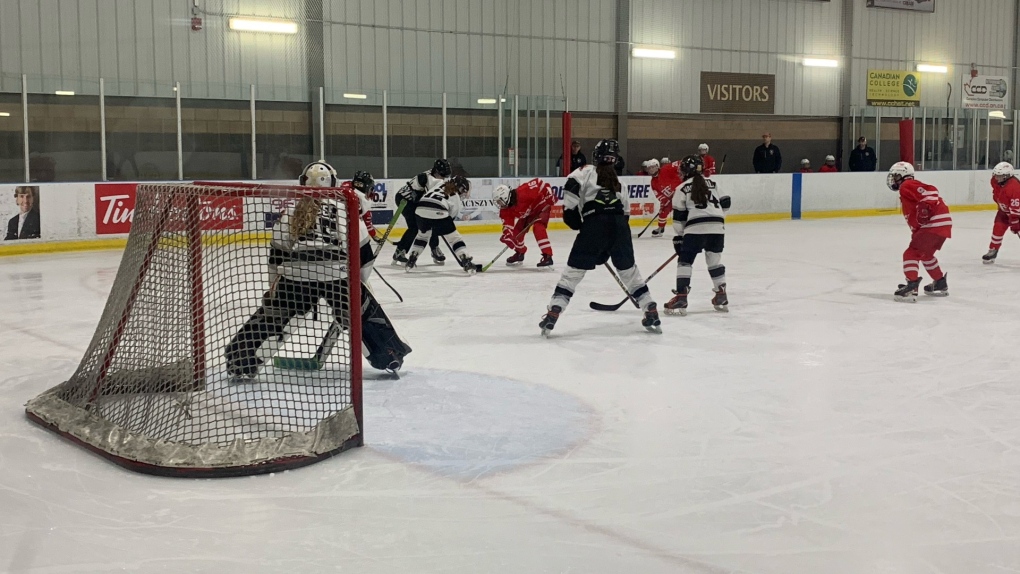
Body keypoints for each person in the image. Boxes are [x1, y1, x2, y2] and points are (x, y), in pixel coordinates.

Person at [225, 162, 411, 378]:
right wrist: (358, 285)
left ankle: (242, 361)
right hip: (337, 276)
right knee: (361, 314)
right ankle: (389, 356)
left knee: (277, 316)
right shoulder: (345, 207)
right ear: (333, 181)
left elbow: (277, 251)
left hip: (296, 276)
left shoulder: (292, 209)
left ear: (302, 182)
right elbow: (364, 254)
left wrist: (274, 285)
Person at [539, 139, 661, 336]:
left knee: (572, 275)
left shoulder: (583, 172)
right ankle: (650, 307)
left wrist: (588, 232)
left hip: (594, 225)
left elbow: (569, 211)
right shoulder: (619, 182)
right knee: (630, 273)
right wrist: (609, 244)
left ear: (596, 155)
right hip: (620, 228)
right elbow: (625, 216)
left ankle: (554, 311)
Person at [664, 155, 731, 316]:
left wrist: (680, 237)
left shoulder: (682, 188)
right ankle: (721, 293)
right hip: (717, 228)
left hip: (695, 229)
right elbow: (726, 202)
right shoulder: (714, 183)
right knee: (714, 261)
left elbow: (679, 218)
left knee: (685, 261)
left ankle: (681, 295)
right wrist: (717, 217)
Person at [887, 162, 952, 302]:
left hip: (934, 223)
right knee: (926, 254)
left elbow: (932, 191)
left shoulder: (906, 185)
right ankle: (940, 283)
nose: (894, 179)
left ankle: (911, 287)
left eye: (896, 176)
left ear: (904, 175)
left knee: (911, 253)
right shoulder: (907, 189)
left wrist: (924, 207)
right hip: (941, 224)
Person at [404, 175, 482, 273]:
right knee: (454, 238)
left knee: (422, 236)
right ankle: (465, 259)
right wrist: (441, 228)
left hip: (420, 210)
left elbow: (426, 180)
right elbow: (450, 218)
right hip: (438, 211)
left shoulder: (439, 183)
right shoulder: (455, 197)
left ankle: (412, 258)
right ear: (460, 188)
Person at [392, 159, 451, 266]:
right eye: (442, 175)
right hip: (405, 199)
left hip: (417, 200)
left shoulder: (440, 179)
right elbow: (416, 199)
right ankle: (400, 251)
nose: (444, 178)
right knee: (415, 227)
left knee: (430, 223)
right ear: (436, 172)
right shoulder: (423, 178)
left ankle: (434, 248)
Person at [493, 178, 556, 267]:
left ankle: (547, 256)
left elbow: (540, 182)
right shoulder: (506, 209)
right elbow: (507, 225)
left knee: (538, 228)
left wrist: (549, 195)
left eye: (500, 201)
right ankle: (520, 253)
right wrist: (508, 235)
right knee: (517, 232)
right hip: (528, 214)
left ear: (505, 197)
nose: (499, 204)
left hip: (541, 207)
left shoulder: (523, 191)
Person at [982, 161, 1020, 264]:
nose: (996, 177)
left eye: (1000, 176)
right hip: (1004, 212)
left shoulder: (1014, 187)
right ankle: (993, 250)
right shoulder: (994, 181)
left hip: (1017, 214)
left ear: (1007, 176)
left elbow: (1016, 207)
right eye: (996, 175)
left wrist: (1015, 222)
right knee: (997, 229)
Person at [644, 158, 684, 238]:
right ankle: (660, 228)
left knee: (683, 211)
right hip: (670, 199)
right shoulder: (653, 182)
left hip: (682, 193)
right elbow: (659, 195)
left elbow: (680, 163)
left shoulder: (666, 169)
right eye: (649, 168)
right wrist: (664, 201)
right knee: (662, 211)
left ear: (657, 166)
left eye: (653, 167)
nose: (651, 169)